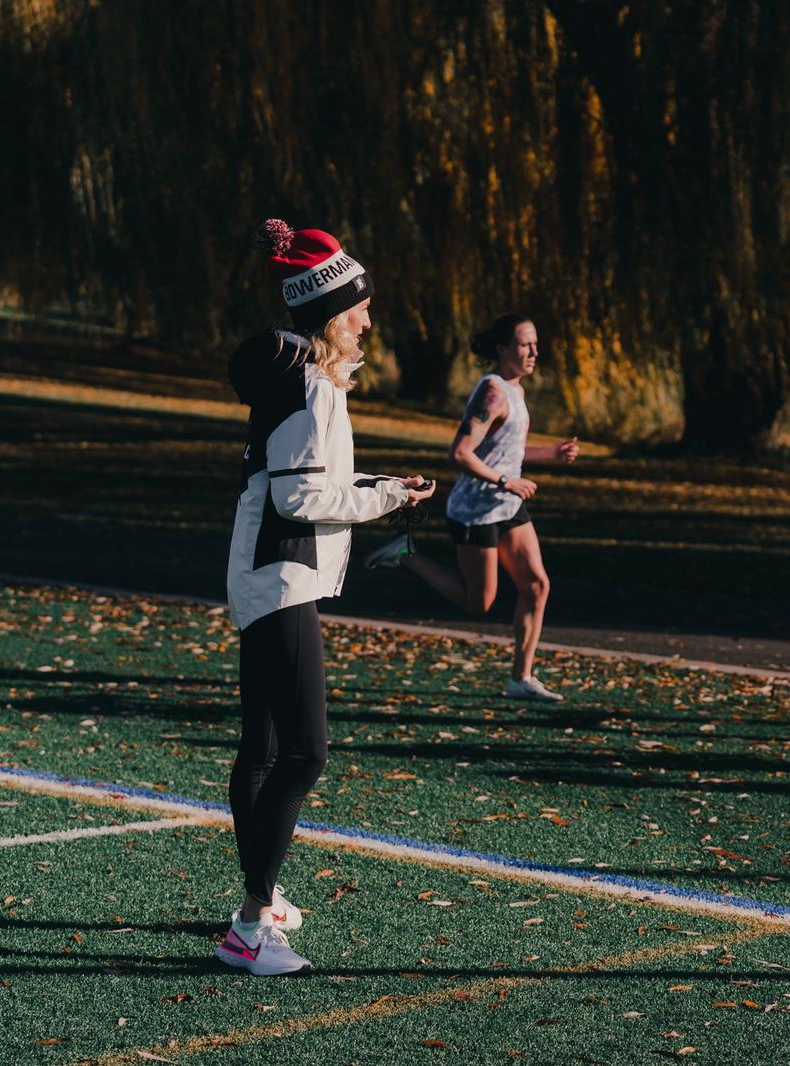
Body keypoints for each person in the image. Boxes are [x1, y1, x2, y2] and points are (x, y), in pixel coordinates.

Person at [221, 219, 434, 975]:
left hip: (264, 571)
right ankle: (251, 926)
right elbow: (301, 495)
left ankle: (260, 898)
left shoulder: (303, 378)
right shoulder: (313, 385)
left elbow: (303, 487)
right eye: (362, 306)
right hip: (282, 576)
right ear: (335, 313)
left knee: (266, 748)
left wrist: (381, 489)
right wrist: (383, 498)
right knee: (305, 752)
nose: (370, 318)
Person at [366, 313, 579, 700]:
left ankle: (521, 679)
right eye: (524, 345)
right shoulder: (492, 393)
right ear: (502, 350)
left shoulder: (515, 390)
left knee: (536, 585)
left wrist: (552, 452)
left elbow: (505, 451)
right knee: (478, 603)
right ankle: (407, 554)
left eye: (535, 343)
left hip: (506, 505)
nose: (534, 351)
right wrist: (504, 481)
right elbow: (460, 453)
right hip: (475, 510)